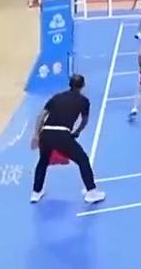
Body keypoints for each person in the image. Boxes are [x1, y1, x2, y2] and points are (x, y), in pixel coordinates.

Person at [29, 74, 104, 204]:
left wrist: (36, 135)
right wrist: (77, 132)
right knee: (82, 160)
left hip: (46, 133)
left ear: (69, 84)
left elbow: (41, 115)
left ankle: (36, 192)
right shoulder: (84, 101)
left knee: (43, 161)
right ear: (83, 85)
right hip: (62, 134)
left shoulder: (56, 97)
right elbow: (84, 121)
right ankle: (91, 192)